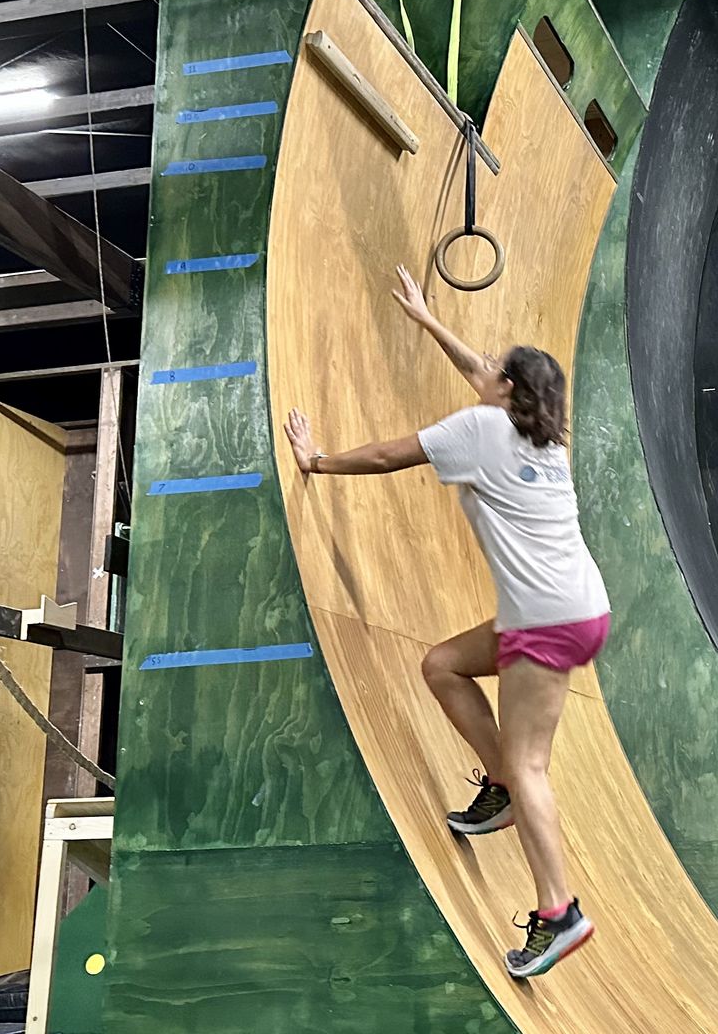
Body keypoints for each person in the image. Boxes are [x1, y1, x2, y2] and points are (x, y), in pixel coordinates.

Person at [282, 265, 609, 979]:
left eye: (497, 369)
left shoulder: (482, 429)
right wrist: (428, 322)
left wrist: (319, 461)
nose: (483, 367)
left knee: (532, 768)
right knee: (443, 665)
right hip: (576, 609)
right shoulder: (542, 437)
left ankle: (560, 910)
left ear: (510, 391)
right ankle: (499, 788)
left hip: (545, 621)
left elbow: (388, 454)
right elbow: (481, 375)